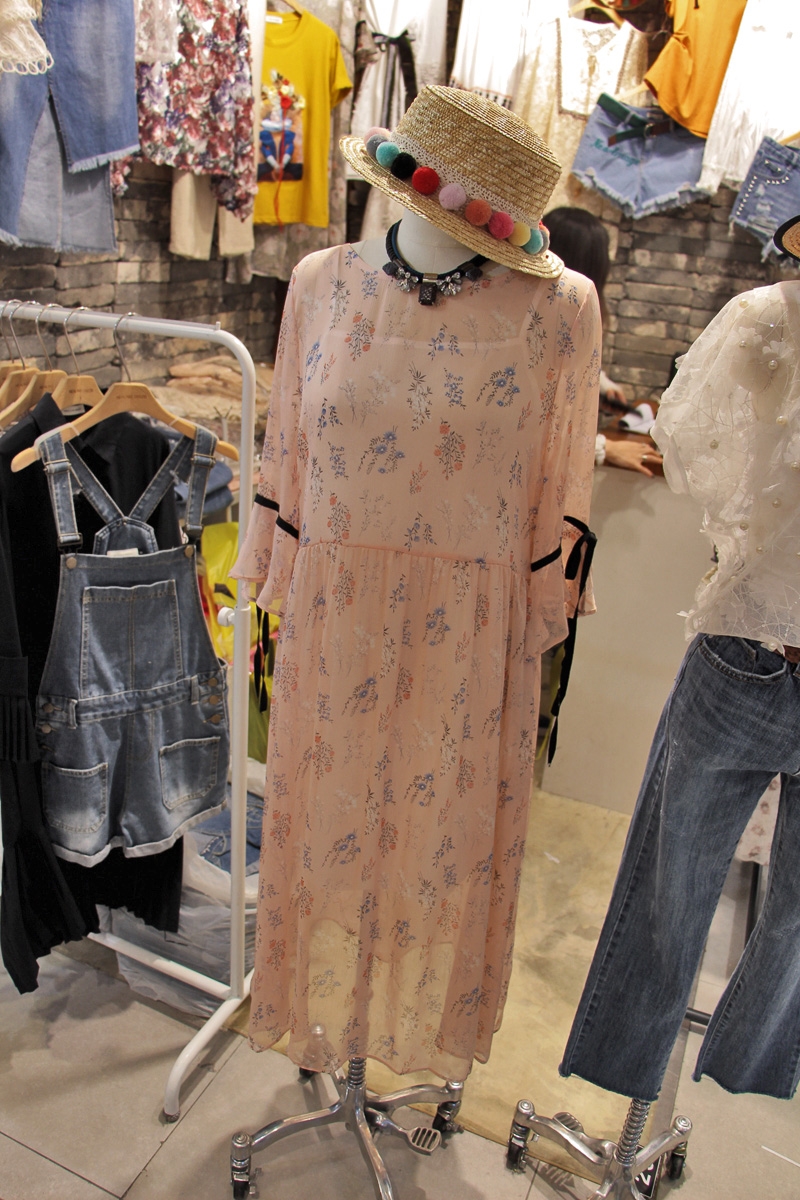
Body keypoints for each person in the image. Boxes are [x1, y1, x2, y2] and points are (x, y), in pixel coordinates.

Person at [231, 85, 601, 1081]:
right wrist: (272, 572)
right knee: (328, 829)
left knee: (441, 847)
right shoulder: (319, 282)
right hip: (336, 611)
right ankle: (329, 1030)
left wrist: (539, 613)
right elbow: (287, 449)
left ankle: (402, 1039)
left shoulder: (562, 307)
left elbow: (562, 481)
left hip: (471, 630)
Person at [544, 205, 663, 477]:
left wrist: (600, 383)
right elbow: (540, 422)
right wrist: (604, 449)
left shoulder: (559, 312)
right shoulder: (555, 318)